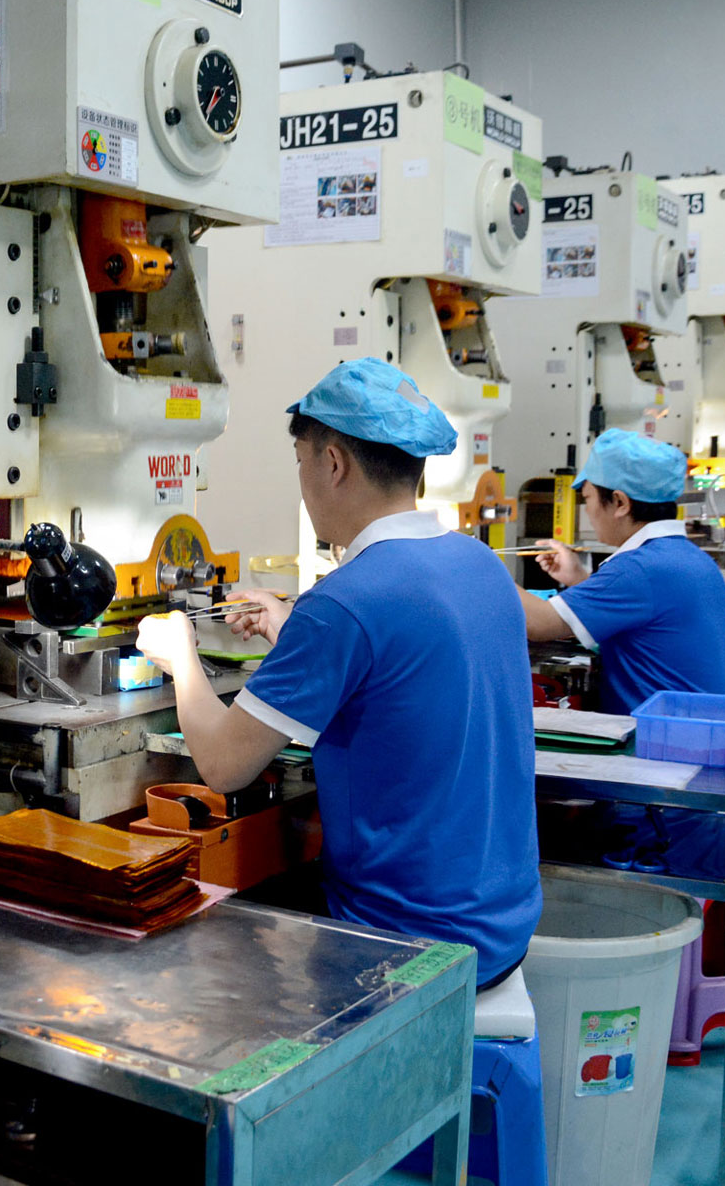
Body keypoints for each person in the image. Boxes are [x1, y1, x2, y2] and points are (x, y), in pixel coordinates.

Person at [134, 360, 541, 989]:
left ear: (332, 462)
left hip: (404, 940)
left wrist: (180, 655)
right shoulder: (479, 564)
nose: (303, 482)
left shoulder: (344, 603)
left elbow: (223, 764)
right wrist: (292, 629)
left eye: (300, 462)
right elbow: (401, 664)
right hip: (503, 924)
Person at [516, 429, 725, 715]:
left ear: (620, 503)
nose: (588, 511)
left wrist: (480, 562)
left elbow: (540, 625)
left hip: (665, 735)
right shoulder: (689, 558)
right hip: (701, 727)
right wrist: (579, 580)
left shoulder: (638, 569)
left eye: (588, 499)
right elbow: (640, 613)